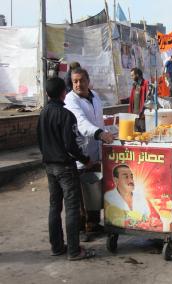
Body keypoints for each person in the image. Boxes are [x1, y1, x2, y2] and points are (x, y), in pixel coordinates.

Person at [37, 77, 95, 261]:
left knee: (54, 207)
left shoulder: (43, 113)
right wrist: (85, 159)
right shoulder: (66, 115)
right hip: (65, 167)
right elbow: (71, 146)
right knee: (71, 208)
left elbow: (39, 140)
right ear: (64, 92)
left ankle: (56, 247)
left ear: (47, 93)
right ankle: (74, 250)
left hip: (49, 166)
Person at [64, 68, 114, 241]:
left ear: (88, 80)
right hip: (81, 153)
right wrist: (100, 133)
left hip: (96, 150)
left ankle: (93, 224)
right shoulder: (71, 99)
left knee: (94, 190)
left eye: (81, 80)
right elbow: (82, 123)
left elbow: (98, 120)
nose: (78, 84)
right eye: (75, 81)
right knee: (81, 195)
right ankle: (82, 228)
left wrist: (108, 133)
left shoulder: (94, 96)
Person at [129, 68, 149, 132]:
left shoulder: (145, 83)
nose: (131, 77)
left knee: (143, 133)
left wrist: (145, 110)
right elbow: (133, 98)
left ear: (137, 75)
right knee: (135, 132)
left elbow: (148, 97)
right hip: (134, 114)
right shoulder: (135, 85)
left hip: (142, 114)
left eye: (132, 75)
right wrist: (122, 101)